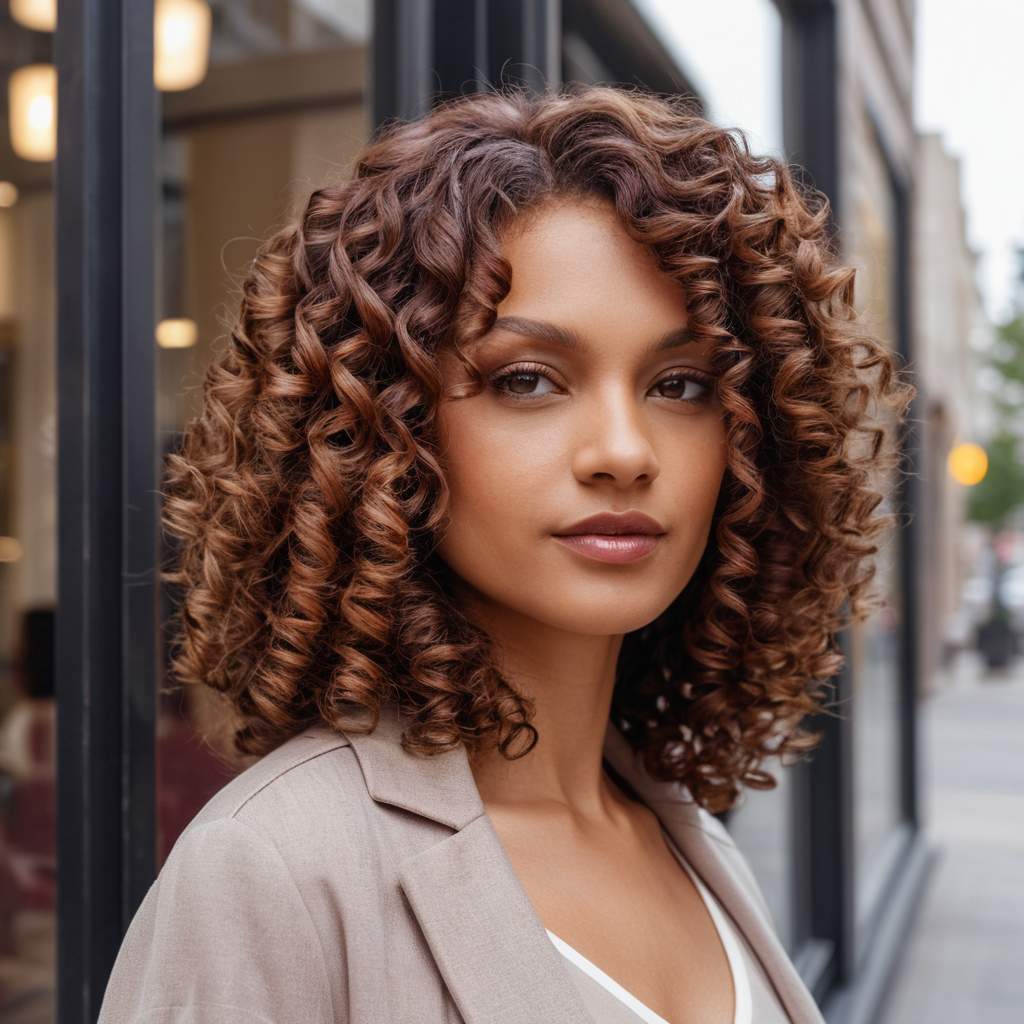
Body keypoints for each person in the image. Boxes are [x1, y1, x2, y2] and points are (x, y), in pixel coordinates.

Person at [99, 87, 908, 1024]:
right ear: (387, 426)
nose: (624, 450)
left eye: (679, 384)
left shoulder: (688, 841)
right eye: (528, 380)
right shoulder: (275, 870)